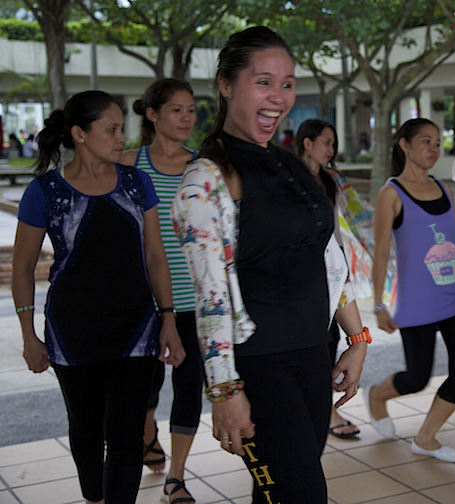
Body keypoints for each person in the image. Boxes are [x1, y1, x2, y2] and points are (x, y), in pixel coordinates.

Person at [172, 26, 367, 503]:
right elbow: (211, 298)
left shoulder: (291, 167)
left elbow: (328, 257)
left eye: (287, 84)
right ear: (225, 84)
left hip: (312, 356)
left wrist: (357, 338)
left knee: (277, 494)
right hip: (258, 368)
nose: (278, 97)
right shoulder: (206, 180)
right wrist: (224, 390)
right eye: (263, 82)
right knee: (301, 495)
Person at [12, 90, 185, 504]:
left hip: (136, 328)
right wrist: (28, 335)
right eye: (111, 129)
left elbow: (155, 256)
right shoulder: (45, 191)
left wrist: (168, 319)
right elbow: (22, 267)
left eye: (121, 128)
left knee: (126, 432)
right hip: (73, 331)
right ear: (80, 134)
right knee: (86, 427)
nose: (121, 137)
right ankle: (94, 496)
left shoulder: (136, 183)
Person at [367, 118, 455, 464]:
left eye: (438, 143)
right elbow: (380, 252)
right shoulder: (391, 193)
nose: (434, 149)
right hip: (417, 300)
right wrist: (378, 304)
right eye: (426, 141)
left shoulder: (444, 188)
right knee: (416, 377)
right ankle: (377, 395)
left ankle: (426, 437)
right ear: (404, 144)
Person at [121, 78, 201, 503]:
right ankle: (147, 431)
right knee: (143, 387)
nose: (187, 118)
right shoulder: (128, 164)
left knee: (190, 386)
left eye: (191, 110)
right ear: (152, 114)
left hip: (197, 301)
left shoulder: (203, 165)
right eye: (176, 110)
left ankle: (177, 475)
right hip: (144, 300)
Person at [296, 118, 364, 440]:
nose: (331, 150)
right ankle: (320, 410)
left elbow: (342, 222)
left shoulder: (331, 180)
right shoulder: (289, 177)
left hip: (333, 268)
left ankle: (325, 409)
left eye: (333, 144)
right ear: (307, 143)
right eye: (326, 142)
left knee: (330, 339)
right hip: (303, 272)